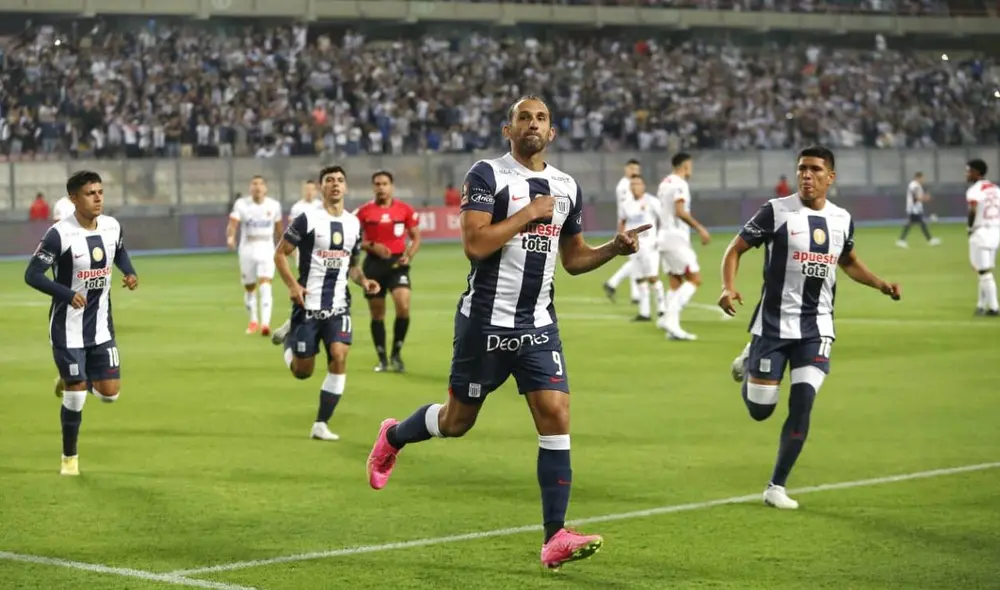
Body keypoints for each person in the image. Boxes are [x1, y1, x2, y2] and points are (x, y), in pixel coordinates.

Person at [365, 96, 649, 571]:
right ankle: (393, 435)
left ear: (552, 133)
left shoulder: (566, 186)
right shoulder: (487, 175)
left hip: (538, 324)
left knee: (556, 415)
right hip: (484, 323)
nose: (533, 124)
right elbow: (475, 244)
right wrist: (527, 214)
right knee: (457, 422)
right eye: (524, 117)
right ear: (508, 129)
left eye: (541, 118)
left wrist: (613, 250)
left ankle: (555, 535)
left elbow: (574, 259)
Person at [718, 146, 901, 510]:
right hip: (772, 327)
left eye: (815, 169)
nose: (806, 175)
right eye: (802, 168)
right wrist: (727, 286)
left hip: (817, 328)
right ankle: (751, 357)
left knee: (802, 403)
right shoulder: (776, 211)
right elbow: (734, 249)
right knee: (760, 410)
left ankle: (776, 486)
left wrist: (881, 283)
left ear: (830, 177)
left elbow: (847, 261)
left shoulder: (842, 219)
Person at [24, 170, 139, 476]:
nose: (98, 197)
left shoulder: (112, 226)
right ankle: (69, 458)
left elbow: (121, 252)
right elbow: (32, 275)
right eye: (91, 193)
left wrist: (129, 272)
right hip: (67, 328)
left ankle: (67, 377)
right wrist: (66, 293)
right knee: (76, 396)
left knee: (109, 395)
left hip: (102, 327)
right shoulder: (58, 234)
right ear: (74, 198)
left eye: (101, 191)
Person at [272, 165, 380, 441]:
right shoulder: (307, 219)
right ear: (321, 187)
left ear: (345, 187)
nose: (335, 184)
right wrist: (293, 286)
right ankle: (289, 338)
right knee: (302, 372)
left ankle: (321, 424)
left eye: (340, 180)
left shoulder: (354, 223)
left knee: (339, 356)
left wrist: (364, 281)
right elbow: (280, 254)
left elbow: (352, 265)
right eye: (329, 180)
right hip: (307, 306)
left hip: (338, 306)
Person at [353, 170, 422, 372]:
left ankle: (396, 353)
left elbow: (416, 237)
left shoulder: (405, 210)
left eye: (384, 183)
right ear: (373, 187)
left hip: (397, 264)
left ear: (391, 186)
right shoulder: (363, 212)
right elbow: (354, 240)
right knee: (377, 313)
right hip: (373, 265)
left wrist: (409, 255)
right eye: (377, 184)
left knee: (403, 306)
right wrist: (370, 245)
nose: (381, 187)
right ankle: (382, 358)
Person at [656, 153, 710, 341]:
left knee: (675, 281)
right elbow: (680, 211)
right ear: (685, 166)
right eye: (690, 166)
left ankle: (666, 320)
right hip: (675, 238)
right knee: (695, 279)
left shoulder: (664, 183)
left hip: (663, 236)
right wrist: (699, 228)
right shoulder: (680, 184)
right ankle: (672, 322)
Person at [226, 175, 283, 336]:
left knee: (265, 285)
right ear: (250, 188)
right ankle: (253, 321)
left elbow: (279, 229)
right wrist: (230, 237)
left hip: (266, 249)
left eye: (260, 184)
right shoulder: (242, 205)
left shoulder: (274, 205)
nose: (257, 187)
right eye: (254, 184)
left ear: (265, 188)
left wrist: (284, 247)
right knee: (250, 287)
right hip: (247, 250)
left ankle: (265, 323)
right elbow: (232, 224)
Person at [618, 174, 664, 321]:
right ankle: (645, 313)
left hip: (650, 244)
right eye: (632, 184)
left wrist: (660, 238)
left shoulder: (652, 202)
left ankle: (662, 308)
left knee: (652, 277)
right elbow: (623, 221)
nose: (635, 187)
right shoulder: (626, 203)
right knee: (639, 279)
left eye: (638, 184)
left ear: (643, 186)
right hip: (634, 246)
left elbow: (663, 220)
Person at [603, 158, 642, 304]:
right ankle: (615, 284)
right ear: (626, 169)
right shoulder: (625, 186)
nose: (634, 171)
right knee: (637, 259)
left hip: (632, 224)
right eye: (632, 168)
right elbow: (628, 208)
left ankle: (633, 294)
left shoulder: (630, 184)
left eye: (637, 169)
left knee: (636, 259)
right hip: (629, 224)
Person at [964, 159, 1000, 316]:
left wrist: (970, 228)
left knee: (983, 271)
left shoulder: (974, 191)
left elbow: (972, 211)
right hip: (996, 231)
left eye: (969, 171)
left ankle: (994, 308)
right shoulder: (996, 189)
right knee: (983, 270)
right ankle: (981, 305)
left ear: (977, 172)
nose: (966, 174)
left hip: (981, 231)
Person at [896, 172, 941, 248]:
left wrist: (924, 197)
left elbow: (918, 196)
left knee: (913, 223)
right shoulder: (914, 185)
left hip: (915, 207)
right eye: (922, 178)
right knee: (919, 223)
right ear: (918, 178)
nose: (923, 180)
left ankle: (902, 240)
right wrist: (926, 198)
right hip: (913, 208)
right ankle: (930, 240)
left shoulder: (916, 185)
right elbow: (915, 197)